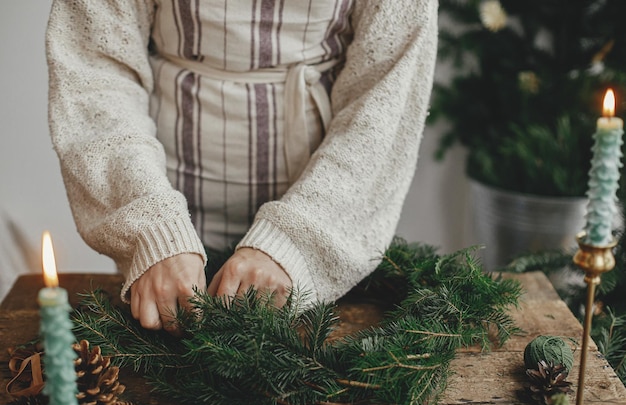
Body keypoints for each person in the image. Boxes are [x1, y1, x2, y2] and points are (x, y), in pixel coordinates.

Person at [45, 0, 438, 333]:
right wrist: (153, 229)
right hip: (163, 204)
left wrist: (296, 245)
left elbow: (383, 99)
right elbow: (95, 70)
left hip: (323, 224)